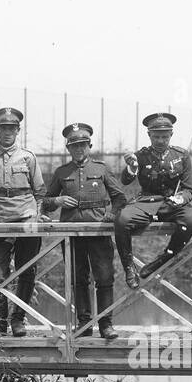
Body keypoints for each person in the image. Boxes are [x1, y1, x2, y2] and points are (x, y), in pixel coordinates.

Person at [42, 122, 127, 340]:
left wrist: (111, 215)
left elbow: (120, 198)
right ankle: (84, 323)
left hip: (98, 232)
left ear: (89, 146)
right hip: (72, 234)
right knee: (78, 279)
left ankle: (106, 324)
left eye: (83, 145)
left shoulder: (101, 169)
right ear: (68, 149)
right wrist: (58, 200)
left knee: (105, 277)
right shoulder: (61, 172)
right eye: (74, 146)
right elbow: (46, 202)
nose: (79, 149)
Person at [0, 106, 48, 336]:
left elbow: (40, 191)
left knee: (27, 270)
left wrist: (38, 213)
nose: (8, 132)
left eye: (12, 128)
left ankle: (18, 320)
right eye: (4, 128)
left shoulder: (28, 157)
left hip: (26, 218)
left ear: (18, 130)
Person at [115, 112, 192, 288]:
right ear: (149, 135)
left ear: (171, 135)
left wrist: (180, 198)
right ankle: (129, 268)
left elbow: (189, 189)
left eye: (164, 136)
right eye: (156, 136)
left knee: (190, 220)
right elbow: (125, 181)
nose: (160, 140)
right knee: (122, 220)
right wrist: (131, 167)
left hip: (174, 203)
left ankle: (162, 260)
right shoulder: (140, 156)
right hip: (147, 202)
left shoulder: (182, 156)